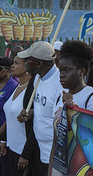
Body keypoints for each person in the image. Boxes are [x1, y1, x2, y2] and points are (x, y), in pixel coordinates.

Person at [17, 41, 62, 175]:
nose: (24, 62)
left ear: (39, 64)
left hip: (55, 153)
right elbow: (44, 108)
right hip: (41, 150)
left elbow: (60, 118)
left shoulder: (60, 82)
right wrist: (32, 112)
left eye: (28, 60)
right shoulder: (37, 78)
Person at [0, 55, 40, 175]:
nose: (12, 66)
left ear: (27, 66)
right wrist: (4, 139)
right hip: (13, 147)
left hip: (25, 151)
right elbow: (10, 117)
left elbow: (36, 125)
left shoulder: (33, 90)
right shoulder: (18, 86)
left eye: (16, 63)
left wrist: (26, 154)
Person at [57, 40, 93, 115]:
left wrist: (73, 110)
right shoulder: (60, 96)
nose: (61, 75)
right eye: (60, 70)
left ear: (82, 71)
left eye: (66, 70)